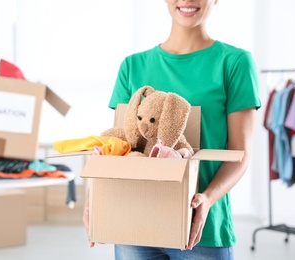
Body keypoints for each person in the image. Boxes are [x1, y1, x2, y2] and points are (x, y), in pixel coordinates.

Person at [83, 0, 261, 259]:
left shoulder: (234, 63)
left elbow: (240, 154)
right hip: (133, 223)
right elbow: (118, 150)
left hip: (202, 230)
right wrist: (93, 198)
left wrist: (207, 200)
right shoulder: (132, 67)